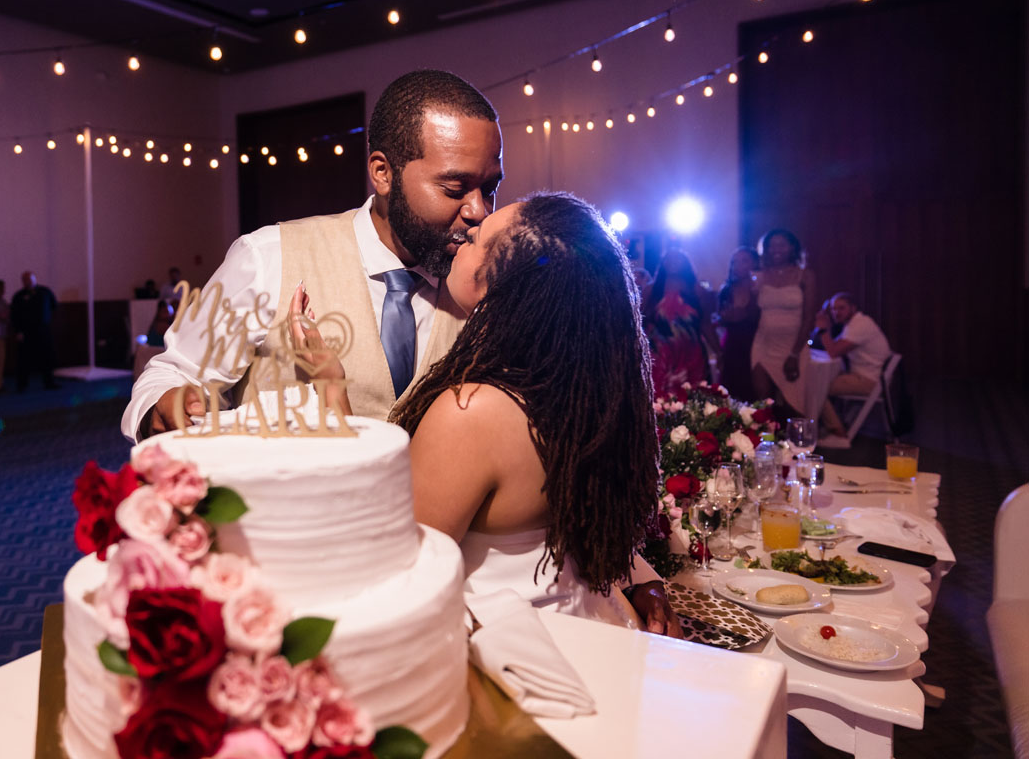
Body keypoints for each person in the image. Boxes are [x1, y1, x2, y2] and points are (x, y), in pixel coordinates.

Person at [292, 193, 681, 636]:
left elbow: (391, 562)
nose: (464, 235)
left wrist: (327, 385)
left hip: (520, 653)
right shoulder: (581, 393)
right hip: (594, 627)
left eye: (476, 239)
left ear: (501, 279)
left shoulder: (473, 412)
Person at [122, 69, 504, 441]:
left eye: (488, 188)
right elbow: (172, 374)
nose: (479, 211)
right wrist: (162, 403)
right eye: (455, 188)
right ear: (383, 173)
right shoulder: (268, 258)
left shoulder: (485, 288)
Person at [750, 229, 816, 415]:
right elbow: (750, 310)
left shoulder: (805, 275)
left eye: (781, 244)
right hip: (763, 343)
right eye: (771, 245)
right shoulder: (759, 275)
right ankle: (767, 442)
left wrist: (794, 354)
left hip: (794, 345)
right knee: (763, 403)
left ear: (792, 248)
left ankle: (793, 443)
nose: (775, 249)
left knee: (793, 404)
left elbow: (809, 317)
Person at [813, 292, 892, 440]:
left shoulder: (860, 325)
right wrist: (827, 329)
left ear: (853, 308)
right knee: (820, 381)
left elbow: (834, 352)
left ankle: (837, 432)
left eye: (841, 308)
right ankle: (830, 425)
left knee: (816, 386)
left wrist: (823, 329)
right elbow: (833, 346)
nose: (836, 312)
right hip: (869, 376)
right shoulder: (852, 324)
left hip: (869, 381)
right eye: (833, 309)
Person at [643, 249, 719, 396]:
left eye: (678, 259)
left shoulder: (697, 291)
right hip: (660, 356)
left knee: (690, 397)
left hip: (690, 354)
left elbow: (706, 324)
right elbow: (641, 321)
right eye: (669, 259)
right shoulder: (652, 290)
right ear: (663, 263)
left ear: (686, 264)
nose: (673, 262)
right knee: (659, 397)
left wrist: (718, 352)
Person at [715, 247, 760, 401]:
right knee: (731, 388)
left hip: (756, 342)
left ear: (755, 263)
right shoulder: (726, 290)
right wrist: (726, 317)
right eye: (735, 262)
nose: (738, 265)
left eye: (744, 260)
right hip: (732, 344)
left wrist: (743, 314)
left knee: (754, 388)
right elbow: (719, 318)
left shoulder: (761, 289)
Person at [11, 270, 59, 391]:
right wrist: (18, 331)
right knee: (24, 358)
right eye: (25, 280)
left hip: (43, 330)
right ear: (22, 281)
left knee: (47, 356)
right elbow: (14, 315)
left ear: (35, 279)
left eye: (30, 279)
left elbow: (54, 306)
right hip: (26, 331)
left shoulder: (45, 292)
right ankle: (22, 385)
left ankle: (49, 382)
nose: (28, 282)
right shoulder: (19, 296)